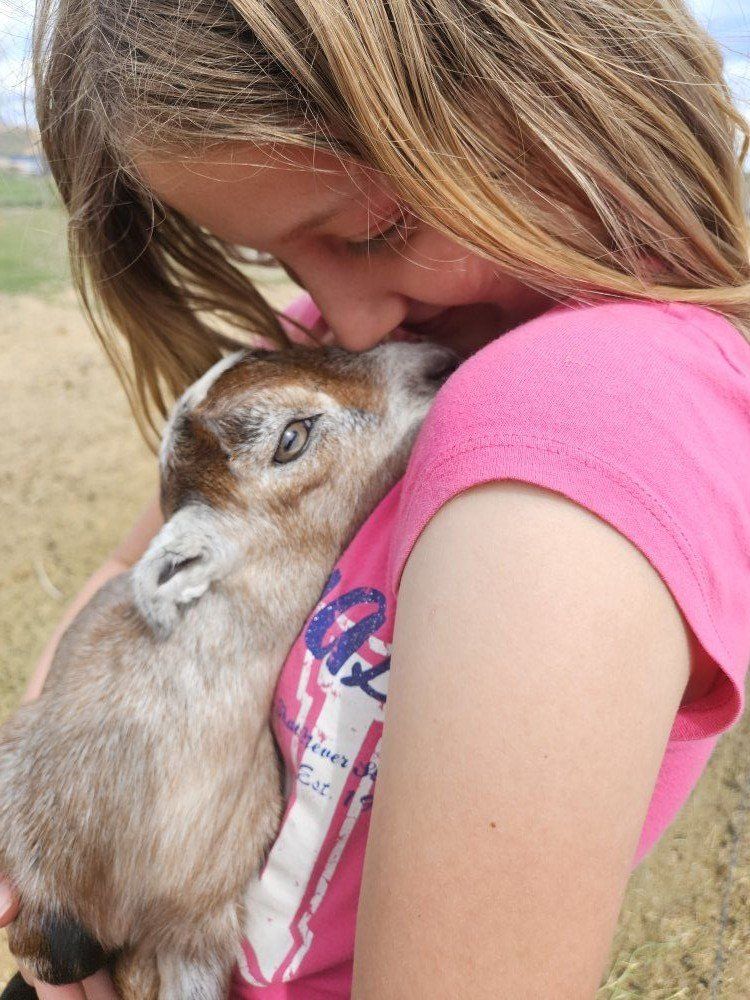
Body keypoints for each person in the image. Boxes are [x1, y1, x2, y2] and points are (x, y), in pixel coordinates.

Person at [3, 0, 750, 996]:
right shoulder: (362, 337)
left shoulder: (585, 424)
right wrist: (43, 830)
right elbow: (129, 568)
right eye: (281, 257)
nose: (344, 323)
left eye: (373, 230)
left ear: (552, 88)